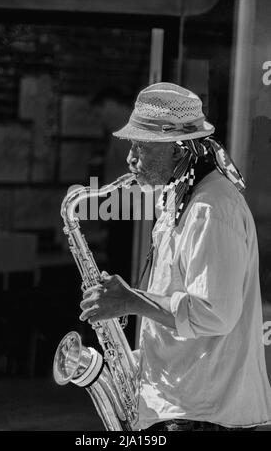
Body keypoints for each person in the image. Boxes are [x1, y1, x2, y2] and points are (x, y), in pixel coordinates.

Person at [80, 82, 271, 431]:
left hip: (207, 415)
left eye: (142, 146)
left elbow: (214, 314)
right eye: (131, 145)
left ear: (180, 149)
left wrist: (131, 300)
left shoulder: (210, 208)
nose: (130, 158)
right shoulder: (179, 197)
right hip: (187, 406)